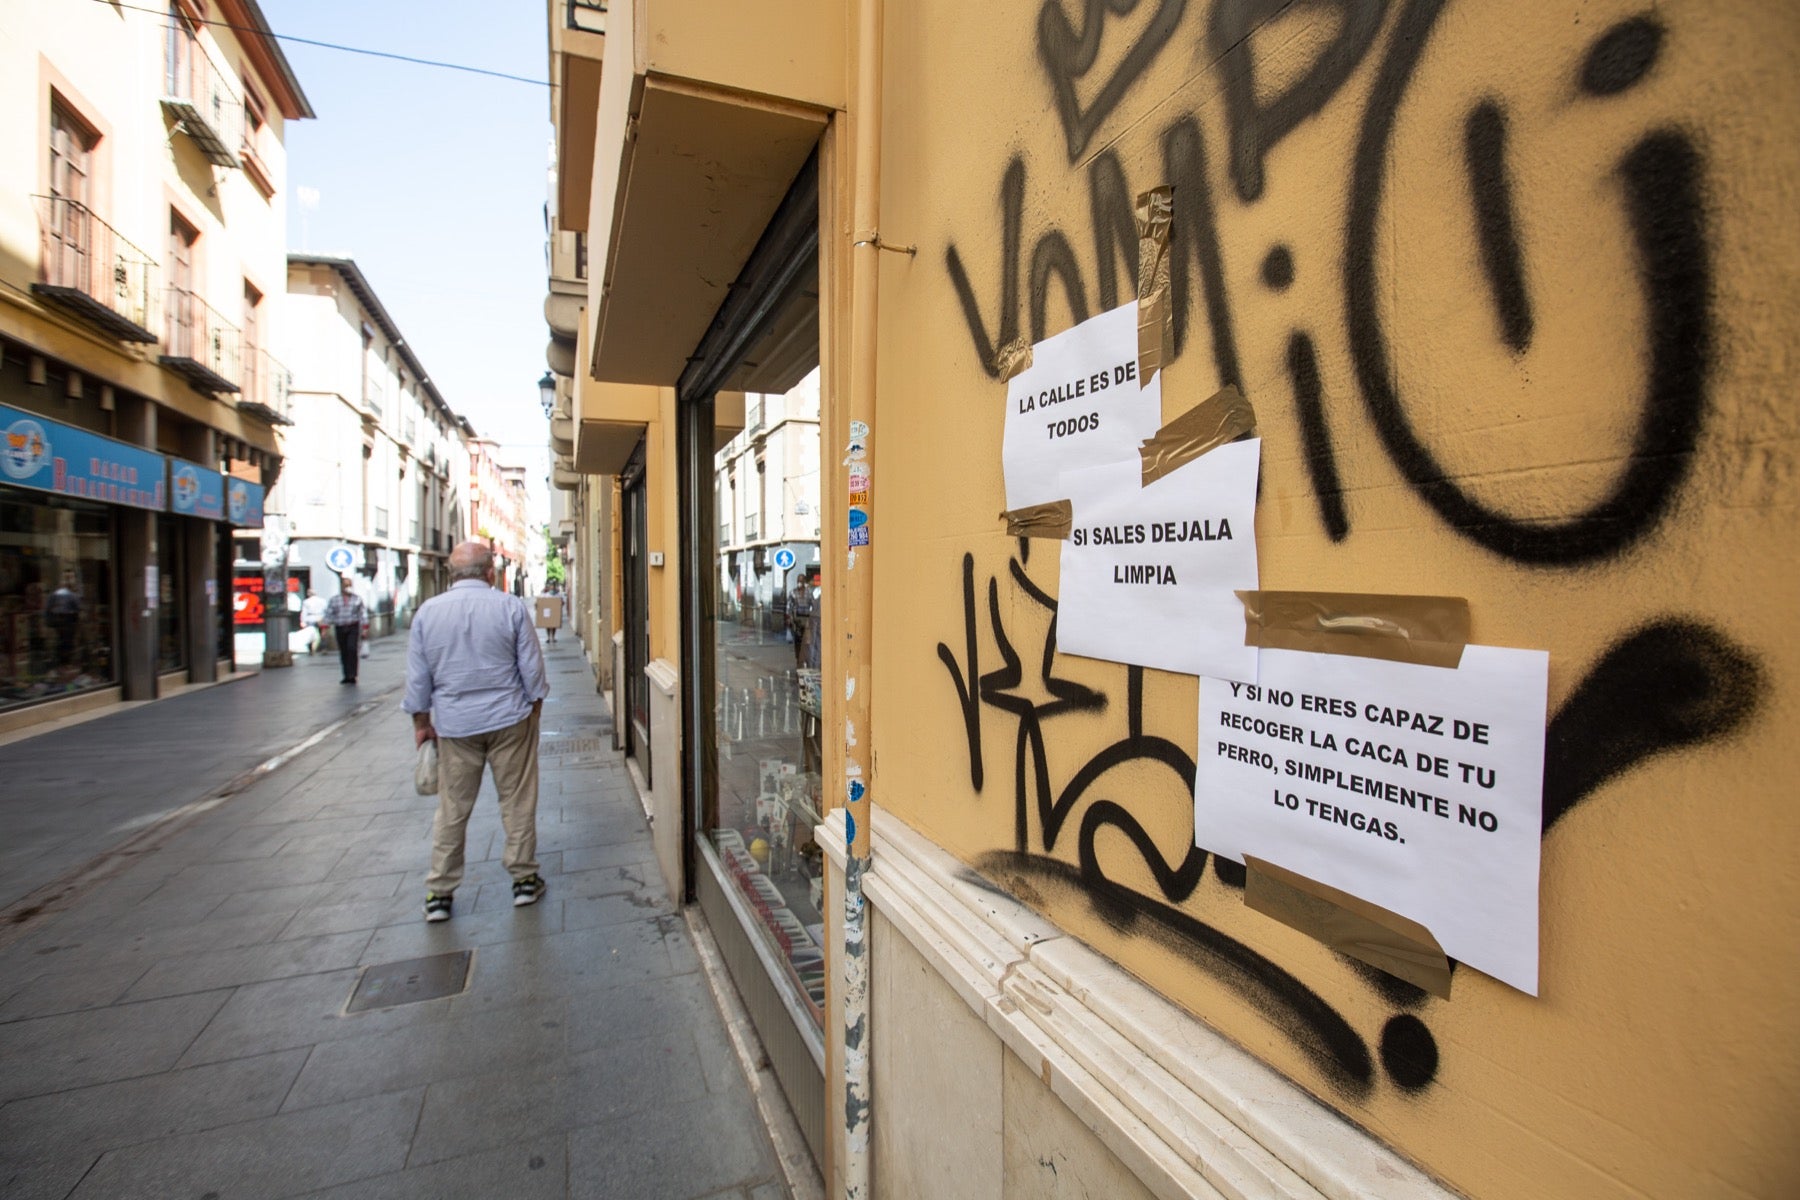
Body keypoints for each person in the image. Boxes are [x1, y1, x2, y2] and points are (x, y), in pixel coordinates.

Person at [404, 541, 550, 922]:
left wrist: (422, 724)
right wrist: (534, 706)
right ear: (490, 573)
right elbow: (531, 668)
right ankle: (523, 880)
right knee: (517, 801)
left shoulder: (427, 614)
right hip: (508, 720)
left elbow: (418, 680)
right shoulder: (509, 607)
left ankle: (439, 892)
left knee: (452, 809)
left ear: (452, 575)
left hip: (455, 726)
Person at [323, 576, 367, 684]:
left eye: (349, 585)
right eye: (345, 585)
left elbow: (362, 613)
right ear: (342, 587)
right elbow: (329, 614)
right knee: (344, 651)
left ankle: (353, 674)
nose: (347, 588)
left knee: (352, 649)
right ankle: (346, 675)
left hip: (353, 626)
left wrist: (365, 628)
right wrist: (325, 628)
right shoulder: (335, 600)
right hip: (340, 626)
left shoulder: (357, 599)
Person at [299, 588, 327, 655]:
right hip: (321, 617)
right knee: (323, 634)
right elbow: (326, 610)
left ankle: (311, 649)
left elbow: (304, 612)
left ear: (308, 594)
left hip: (310, 618)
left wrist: (303, 621)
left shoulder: (306, 601)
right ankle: (324, 648)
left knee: (310, 634)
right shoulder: (322, 600)